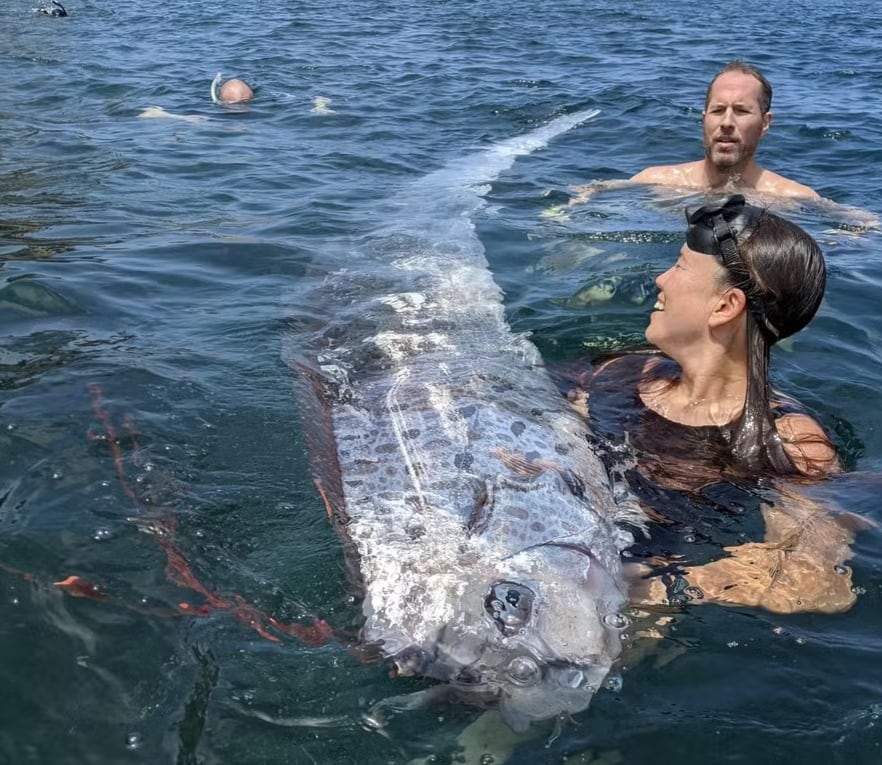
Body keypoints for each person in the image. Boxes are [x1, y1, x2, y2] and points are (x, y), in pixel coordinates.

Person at [568, 195, 857, 614]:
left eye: (680, 267)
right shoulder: (620, 373)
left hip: (638, 596)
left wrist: (647, 588)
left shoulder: (788, 442)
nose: (661, 281)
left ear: (725, 306)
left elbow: (813, 582)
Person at [629, 61, 818, 198]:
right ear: (704, 120)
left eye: (741, 110)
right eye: (718, 110)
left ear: (765, 123)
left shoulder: (791, 198)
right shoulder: (654, 183)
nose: (726, 122)